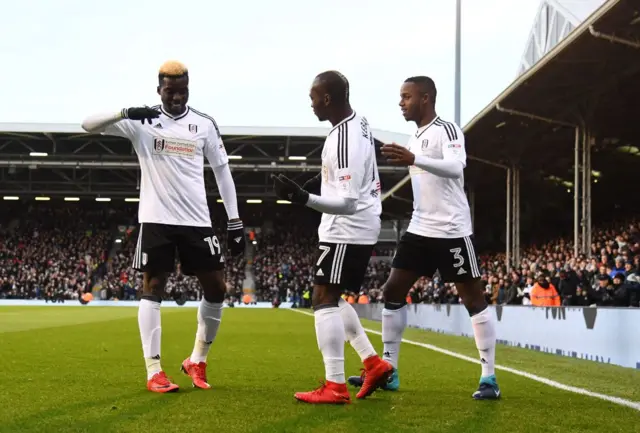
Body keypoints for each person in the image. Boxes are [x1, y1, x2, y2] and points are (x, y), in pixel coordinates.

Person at [81, 60, 245, 393]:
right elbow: (87, 125)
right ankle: (154, 370)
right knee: (153, 285)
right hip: (156, 219)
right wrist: (125, 112)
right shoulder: (142, 121)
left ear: (188, 89)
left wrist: (235, 219)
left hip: (197, 220)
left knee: (216, 289)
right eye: (170, 91)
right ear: (160, 90)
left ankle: (197, 359)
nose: (177, 97)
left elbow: (222, 171)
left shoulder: (204, 124)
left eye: (183, 90)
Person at [348, 76, 500, 400]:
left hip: (452, 230)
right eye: (401, 97)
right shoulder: (414, 137)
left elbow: (457, 167)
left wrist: (414, 159)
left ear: (425, 98)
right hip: (420, 227)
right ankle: (389, 370)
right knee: (392, 290)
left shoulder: (447, 130)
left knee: (473, 299)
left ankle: (489, 378)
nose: (401, 102)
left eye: (406, 96)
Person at [272, 70, 393, 404]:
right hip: (359, 224)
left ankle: (335, 385)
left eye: (313, 97)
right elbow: (348, 177)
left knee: (322, 299)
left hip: (347, 226)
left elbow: (347, 202)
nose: (310, 104)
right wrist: (315, 182)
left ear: (327, 98)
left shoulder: (344, 139)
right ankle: (372, 362)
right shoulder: (360, 124)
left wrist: (303, 197)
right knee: (332, 297)